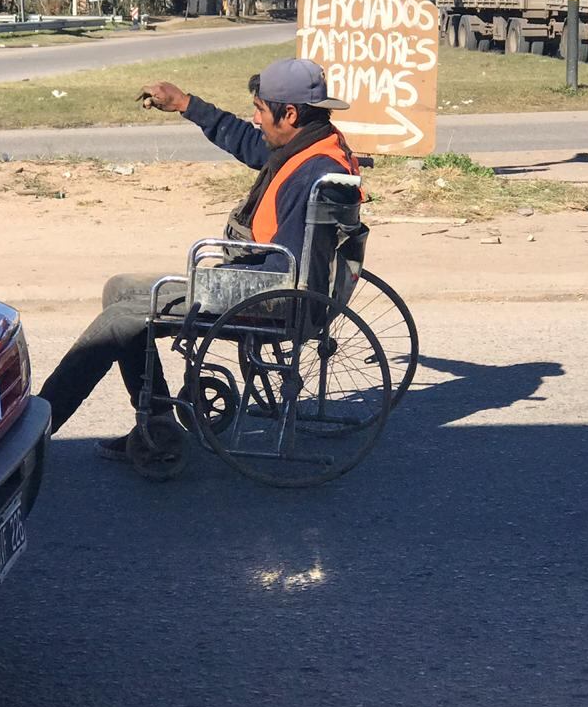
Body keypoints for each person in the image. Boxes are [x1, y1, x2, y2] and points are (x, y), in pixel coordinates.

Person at [36, 57, 362, 462]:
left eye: (260, 109)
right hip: (264, 280)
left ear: (290, 112)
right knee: (119, 288)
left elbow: (287, 270)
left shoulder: (314, 171)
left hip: (274, 297)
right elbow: (246, 141)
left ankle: (36, 430)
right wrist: (186, 104)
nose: (255, 118)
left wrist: (216, 281)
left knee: (121, 322)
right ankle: (156, 422)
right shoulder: (309, 142)